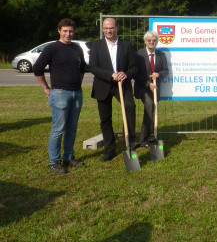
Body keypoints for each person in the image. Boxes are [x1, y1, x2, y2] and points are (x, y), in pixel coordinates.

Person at [33, 18, 86, 174]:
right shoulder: (52, 48)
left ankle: (68, 157)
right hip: (59, 93)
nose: (68, 34)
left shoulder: (77, 48)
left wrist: (77, 85)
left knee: (72, 128)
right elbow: (37, 69)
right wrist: (46, 89)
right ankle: (54, 161)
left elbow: (82, 68)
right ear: (59, 31)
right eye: (65, 31)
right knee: (58, 128)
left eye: (70, 31)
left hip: (77, 93)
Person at [89, 18, 138, 162]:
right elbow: (93, 67)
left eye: (111, 28)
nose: (108, 31)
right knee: (105, 119)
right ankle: (110, 149)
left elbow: (134, 67)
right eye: (106, 28)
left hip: (122, 85)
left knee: (130, 107)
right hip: (103, 84)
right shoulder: (97, 45)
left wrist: (126, 74)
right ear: (103, 29)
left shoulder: (126, 45)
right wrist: (111, 75)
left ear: (117, 28)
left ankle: (129, 141)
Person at [134, 31, 169, 146]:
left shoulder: (161, 55)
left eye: (154, 40)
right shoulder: (139, 54)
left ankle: (150, 136)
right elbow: (136, 74)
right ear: (145, 41)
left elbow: (166, 71)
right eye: (149, 40)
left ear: (157, 41)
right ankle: (144, 138)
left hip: (155, 88)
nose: (151, 42)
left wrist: (158, 74)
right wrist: (147, 83)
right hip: (142, 87)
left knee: (150, 109)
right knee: (149, 106)